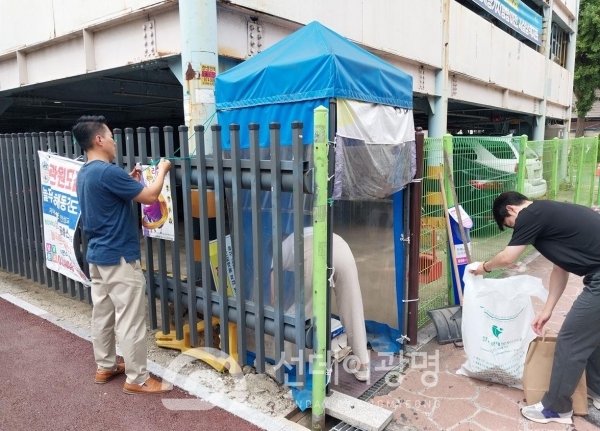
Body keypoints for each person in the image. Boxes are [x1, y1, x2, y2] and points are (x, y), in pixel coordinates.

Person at [469, 191, 600, 425]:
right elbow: (561, 268)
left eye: (510, 226)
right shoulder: (551, 213)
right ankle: (598, 391)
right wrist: (548, 309)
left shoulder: (530, 214)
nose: (516, 230)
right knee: (591, 335)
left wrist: (485, 267)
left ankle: (555, 408)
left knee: (571, 341)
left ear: (510, 209)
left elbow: (508, 258)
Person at [73, 115, 173, 395]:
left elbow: (109, 196)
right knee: (130, 317)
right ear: (98, 139)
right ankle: (137, 379)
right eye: (110, 136)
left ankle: (105, 365)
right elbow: (151, 197)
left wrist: (128, 181)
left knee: (102, 313)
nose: (115, 141)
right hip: (118, 255)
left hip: (97, 254)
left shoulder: (87, 172)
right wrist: (163, 168)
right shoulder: (108, 172)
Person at [271, 227, 370, 382]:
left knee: (297, 315)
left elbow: (273, 282)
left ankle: (292, 366)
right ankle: (363, 365)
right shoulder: (298, 234)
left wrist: (273, 310)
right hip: (340, 246)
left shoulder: (279, 251)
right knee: (352, 307)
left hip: (314, 251)